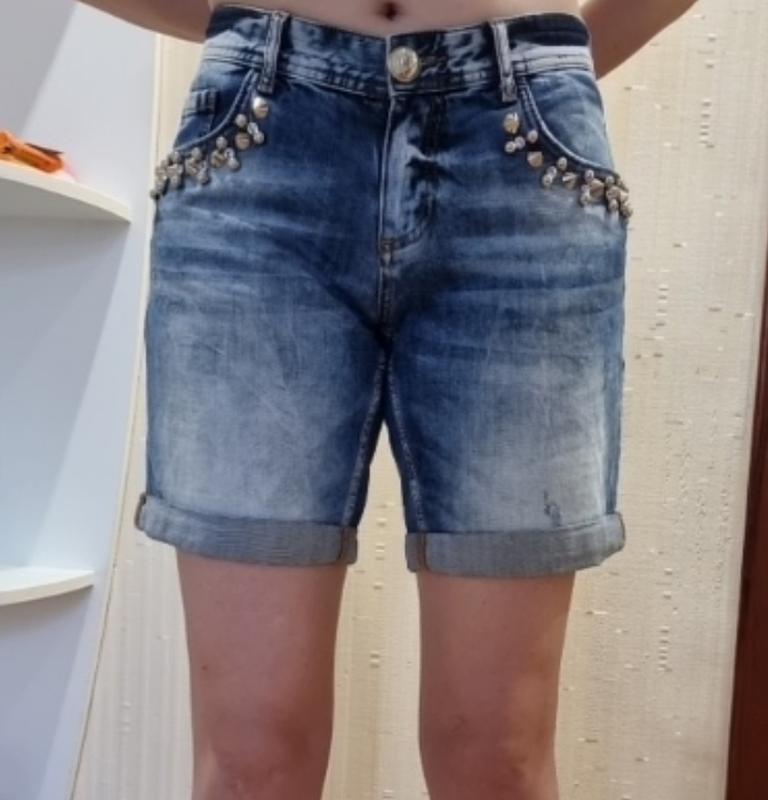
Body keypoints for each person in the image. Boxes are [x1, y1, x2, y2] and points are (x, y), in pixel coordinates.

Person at [78, 1, 697, 798]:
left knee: (498, 760)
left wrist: (542, 63)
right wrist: (264, 40)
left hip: (522, 156)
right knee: (251, 759)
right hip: (259, 149)